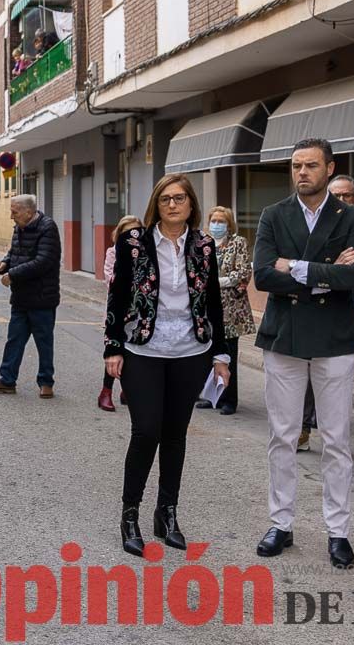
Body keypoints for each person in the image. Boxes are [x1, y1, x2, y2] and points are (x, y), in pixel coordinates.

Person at [252, 138, 354, 569]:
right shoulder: (273, 215)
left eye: (311, 165)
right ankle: (281, 523)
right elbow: (263, 275)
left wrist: (295, 267)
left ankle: (338, 531)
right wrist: (325, 274)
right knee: (282, 435)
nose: (302, 172)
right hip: (285, 337)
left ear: (329, 168)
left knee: (336, 439)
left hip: (334, 339)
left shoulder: (351, 216)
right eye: (296, 165)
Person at [104, 174, 230, 555]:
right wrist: (113, 347)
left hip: (191, 351)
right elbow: (118, 295)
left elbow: (212, 302)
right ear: (156, 205)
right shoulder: (134, 243)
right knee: (146, 431)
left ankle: (167, 513)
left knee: (175, 434)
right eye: (165, 199)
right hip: (144, 348)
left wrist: (221, 354)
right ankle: (130, 515)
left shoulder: (205, 245)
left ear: (191, 204)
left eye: (180, 198)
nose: (173, 205)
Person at [296, 175, 354, 451]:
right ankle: (302, 428)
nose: (342, 200)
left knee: (335, 380)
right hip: (310, 315)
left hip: (345, 316)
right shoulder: (309, 229)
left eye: (347, 195)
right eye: (336, 194)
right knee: (307, 374)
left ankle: (334, 436)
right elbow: (300, 270)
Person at [0, 194, 62, 397]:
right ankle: (7, 380)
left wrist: (13, 274)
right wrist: (4, 264)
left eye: (14, 212)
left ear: (29, 211)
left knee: (44, 343)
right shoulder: (19, 227)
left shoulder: (47, 228)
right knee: (14, 340)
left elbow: (43, 261)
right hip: (21, 297)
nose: (11, 216)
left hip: (42, 297)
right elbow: (14, 253)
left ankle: (46, 382)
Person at [192, 206, 253, 416]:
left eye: (221, 221)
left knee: (228, 354)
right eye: (214, 220)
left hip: (231, 310)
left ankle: (229, 399)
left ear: (229, 223)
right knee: (209, 353)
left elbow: (243, 271)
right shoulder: (204, 243)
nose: (217, 224)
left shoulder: (238, 243)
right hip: (207, 309)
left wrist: (217, 282)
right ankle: (212, 395)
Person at [99, 215, 142, 411]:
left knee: (133, 353)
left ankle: (128, 391)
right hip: (118, 310)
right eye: (127, 232)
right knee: (115, 350)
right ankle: (105, 392)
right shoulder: (113, 252)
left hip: (139, 311)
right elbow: (111, 279)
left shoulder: (146, 252)